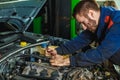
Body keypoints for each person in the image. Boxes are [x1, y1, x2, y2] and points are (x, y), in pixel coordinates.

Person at [45, 0, 120, 67]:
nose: (84, 28)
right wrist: (57, 50)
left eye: (83, 22)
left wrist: (67, 61)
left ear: (91, 13)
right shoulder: (97, 22)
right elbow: (80, 40)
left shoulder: (117, 21)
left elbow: (102, 53)